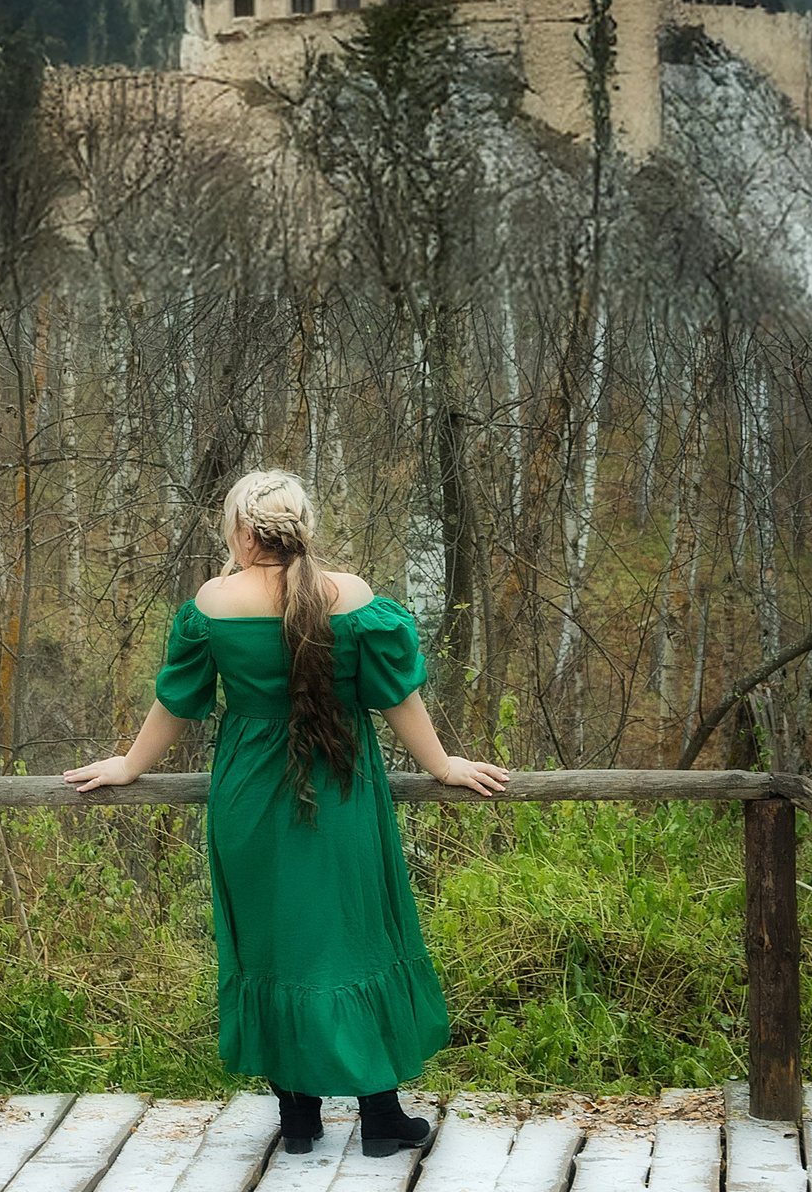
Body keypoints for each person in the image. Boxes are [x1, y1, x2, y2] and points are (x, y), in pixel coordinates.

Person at [63, 470, 508, 1156]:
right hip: (341, 788)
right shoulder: (352, 596)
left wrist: (128, 765)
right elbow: (396, 697)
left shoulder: (212, 603)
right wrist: (443, 765)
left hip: (250, 793)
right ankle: (381, 1118)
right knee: (356, 939)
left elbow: (179, 703)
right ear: (303, 526)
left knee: (273, 946)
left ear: (243, 530)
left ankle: (298, 1119)